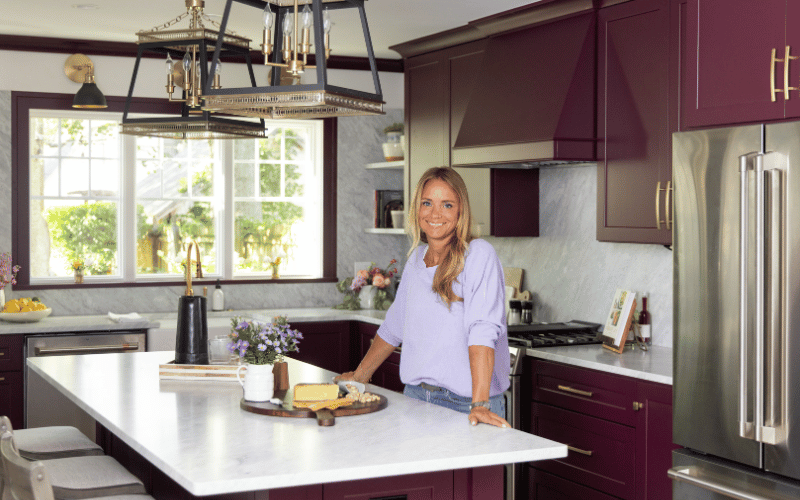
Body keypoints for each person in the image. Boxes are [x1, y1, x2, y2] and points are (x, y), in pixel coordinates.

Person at [336, 167, 510, 428]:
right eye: (427, 203)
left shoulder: (478, 255)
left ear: (461, 210)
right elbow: (394, 325)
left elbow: (482, 332)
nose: (435, 214)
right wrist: (360, 376)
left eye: (447, 205)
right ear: (417, 208)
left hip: (466, 405)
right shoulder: (417, 259)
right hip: (416, 398)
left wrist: (480, 404)